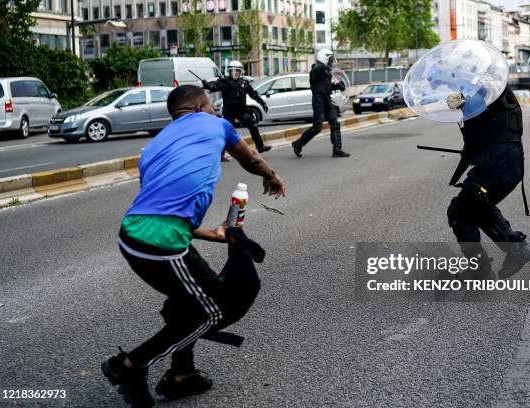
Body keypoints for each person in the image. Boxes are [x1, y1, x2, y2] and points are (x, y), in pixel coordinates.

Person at [101, 85, 285, 407]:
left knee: (191, 301)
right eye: (213, 107)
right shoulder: (216, 124)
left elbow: (160, 209)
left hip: (138, 235)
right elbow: (251, 157)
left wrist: (212, 234)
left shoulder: (154, 148)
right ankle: (130, 366)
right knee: (211, 311)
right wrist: (271, 176)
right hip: (159, 245)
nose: (215, 112)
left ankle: (181, 376)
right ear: (201, 108)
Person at [446, 84, 530, 278]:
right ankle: (515, 250)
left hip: (496, 165)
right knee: (479, 206)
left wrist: (463, 104)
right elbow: (480, 138)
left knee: (460, 213)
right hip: (506, 164)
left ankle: (481, 270)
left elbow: (475, 134)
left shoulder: (478, 92)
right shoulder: (494, 91)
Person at [202, 60, 272, 153]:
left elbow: (253, 94)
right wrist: (207, 85)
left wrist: (262, 103)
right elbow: (214, 87)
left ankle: (260, 146)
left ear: (241, 72)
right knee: (225, 131)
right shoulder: (225, 81)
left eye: (238, 71)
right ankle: (220, 153)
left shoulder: (244, 82)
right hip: (229, 111)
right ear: (229, 72)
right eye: (234, 71)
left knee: (253, 126)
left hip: (242, 110)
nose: (236, 73)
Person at [291, 49, 350, 158]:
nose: (331, 62)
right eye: (330, 60)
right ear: (324, 58)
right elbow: (317, 80)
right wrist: (324, 68)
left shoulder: (326, 72)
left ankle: (337, 150)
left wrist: (337, 86)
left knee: (335, 123)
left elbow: (326, 87)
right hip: (318, 100)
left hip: (327, 98)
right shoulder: (317, 68)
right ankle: (298, 144)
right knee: (317, 127)